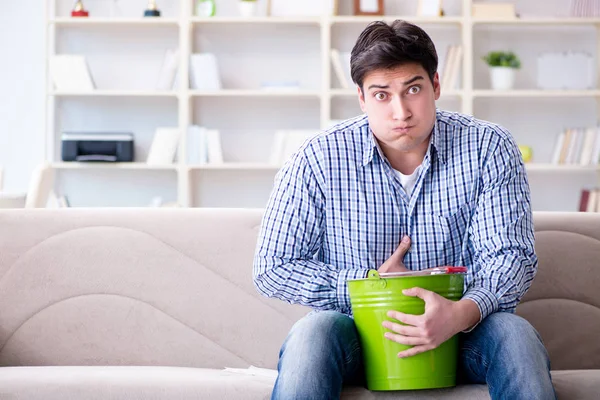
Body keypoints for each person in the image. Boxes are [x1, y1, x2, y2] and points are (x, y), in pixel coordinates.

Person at [253, 19, 556, 400]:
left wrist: (460, 313)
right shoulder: (318, 158)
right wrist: (370, 287)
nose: (401, 112)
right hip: (359, 334)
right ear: (362, 98)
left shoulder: (488, 147)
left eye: (413, 89)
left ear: (436, 86)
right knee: (312, 334)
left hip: (464, 333)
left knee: (515, 334)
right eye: (381, 94)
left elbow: (511, 257)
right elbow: (273, 266)